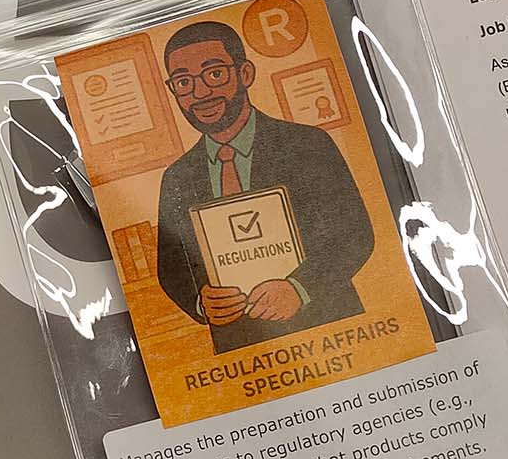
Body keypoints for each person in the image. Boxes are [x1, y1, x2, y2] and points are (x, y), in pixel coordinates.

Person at [154, 20, 374, 354]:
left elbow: (354, 234)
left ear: (245, 74)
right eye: (184, 82)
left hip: (331, 332)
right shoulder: (177, 177)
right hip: (240, 348)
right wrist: (201, 300)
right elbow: (172, 269)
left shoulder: (308, 145)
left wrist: (298, 288)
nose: (200, 93)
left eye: (215, 74)